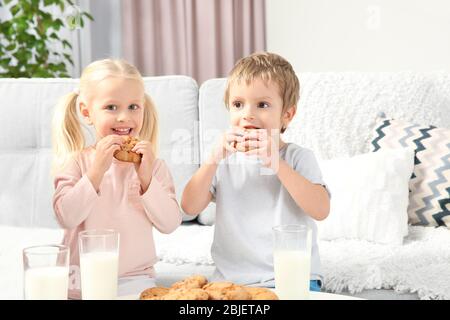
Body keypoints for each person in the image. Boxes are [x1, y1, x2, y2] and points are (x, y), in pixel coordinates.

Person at [181, 52, 330, 291]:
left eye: (262, 105)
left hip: (292, 278)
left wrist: (277, 164)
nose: (247, 114)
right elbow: (189, 206)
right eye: (238, 104)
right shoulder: (224, 161)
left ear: (286, 115)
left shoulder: (297, 157)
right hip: (230, 282)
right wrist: (213, 159)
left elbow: (321, 209)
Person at [52, 59, 182, 298]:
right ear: (86, 111)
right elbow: (67, 217)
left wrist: (146, 180)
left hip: (136, 277)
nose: (124, 117)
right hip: (81, 281)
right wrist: (95, 173)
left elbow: (171, 223)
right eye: (111, 107)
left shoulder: (154, 166)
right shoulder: (78, 162)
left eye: (134, 107)